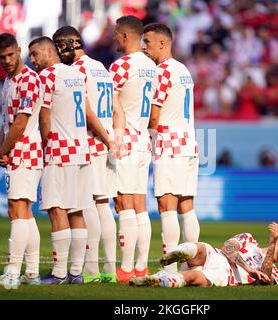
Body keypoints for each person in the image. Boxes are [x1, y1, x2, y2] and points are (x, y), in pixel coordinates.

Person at [52, 25, 126, 284]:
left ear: (72, 44)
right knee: (104, 206)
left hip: (91, 142)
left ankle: (92, 270)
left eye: (61, 47)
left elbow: (86, 112)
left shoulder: (76, 72)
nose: (60, 53)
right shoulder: (102, 68)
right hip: (107, 141)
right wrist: (116, 138)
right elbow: (117, 109)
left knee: (89, 206)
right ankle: (108, 268)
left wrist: (106, 139)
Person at [28, 36, 104, 285]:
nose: (32, 60)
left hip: (59, 150)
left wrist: (43, 145)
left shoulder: (46, 77)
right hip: (82, 150)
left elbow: (45, 118)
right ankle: (76, 272)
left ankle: (60, 273)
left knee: (57, 208)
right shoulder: (76, 75)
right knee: (77, 210)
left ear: (48, 52)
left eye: (34, 54)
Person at [0, 33, 42, 289]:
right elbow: (8, 120)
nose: (7, 60)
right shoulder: (9, 80)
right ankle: (32, 272)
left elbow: (20, 123)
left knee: (17, 209)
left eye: (10, 55)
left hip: (25, 150)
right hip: (17, 149)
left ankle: (12, 272)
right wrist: (0, 143)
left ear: (19, 50)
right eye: (2, 57)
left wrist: (5, 149)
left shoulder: (29, 80)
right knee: (25, 212)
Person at [141, 23, 200, 274]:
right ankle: (192, 262)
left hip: (169, 143)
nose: (143, 47)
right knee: (187, 207)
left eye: (148, 42)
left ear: (163, 44)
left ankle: (169, 269)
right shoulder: (183, 69)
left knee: (167, 206)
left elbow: (154, 116)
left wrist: (149, 139)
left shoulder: (162, 72)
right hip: (189, 142)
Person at [109, 15, 157, 282]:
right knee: (140, 204)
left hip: (124, 139)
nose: (114, 38)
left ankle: (126, 269)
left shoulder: (121, 66)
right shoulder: (151, 66)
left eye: (116, 33)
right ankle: (141, 267)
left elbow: (112, 107)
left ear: (125, 36)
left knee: (124, 203)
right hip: (142, 139)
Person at [130, 222, 278, 288]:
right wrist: (249, 269)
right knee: (200, 248)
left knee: (193, 277)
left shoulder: (276, 275)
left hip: (225, 275)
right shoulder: (248, 239)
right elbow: (227, 248)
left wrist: (271, 245)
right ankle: (177, 254)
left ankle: (157, 279)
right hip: (217, 256)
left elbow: (266, 277)